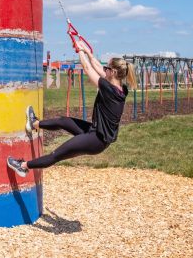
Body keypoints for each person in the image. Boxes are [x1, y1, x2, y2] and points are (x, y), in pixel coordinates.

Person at [7, 40, 136, 177]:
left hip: (96, 140)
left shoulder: (108, 88)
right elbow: (98, 67)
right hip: (95, 132)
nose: (104, 70)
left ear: (114, 72)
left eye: (107, 68)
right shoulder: (121, 89)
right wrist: (87, 52)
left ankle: (22, 166)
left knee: (56, 155)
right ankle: (34, 124)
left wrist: (80, 51)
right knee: (64, 121)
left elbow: (87, 69)